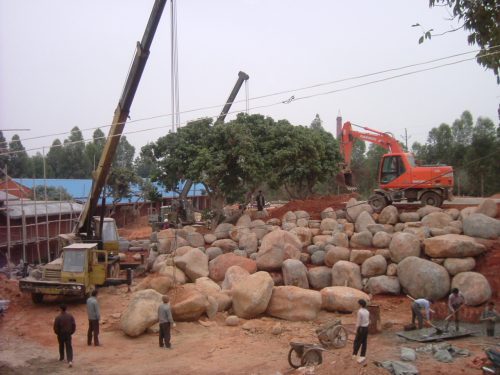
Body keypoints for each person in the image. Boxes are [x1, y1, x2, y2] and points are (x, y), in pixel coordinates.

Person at [53, 303, 76, 368]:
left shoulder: (58, 317)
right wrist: (71, 332)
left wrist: (57, 333)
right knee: (69, 346)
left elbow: (55, 327)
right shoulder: (70, 316)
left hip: (61, 334)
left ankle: (61, 357)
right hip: (68, 333)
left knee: (61, 345)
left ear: (60, 309)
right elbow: (73, 325)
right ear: (66, 308)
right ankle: (70, 360)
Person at [352, 299, 370, 364]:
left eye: (358, 303)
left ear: (360, 304)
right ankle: (362, 355)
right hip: (366, 328)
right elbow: (367, 320)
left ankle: (354, 354)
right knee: (364, 342)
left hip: (361, 328)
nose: (358, 305)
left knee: (357, 341)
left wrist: (355, 329)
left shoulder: (360, 311)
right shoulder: (367, 311)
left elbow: (358, 322)